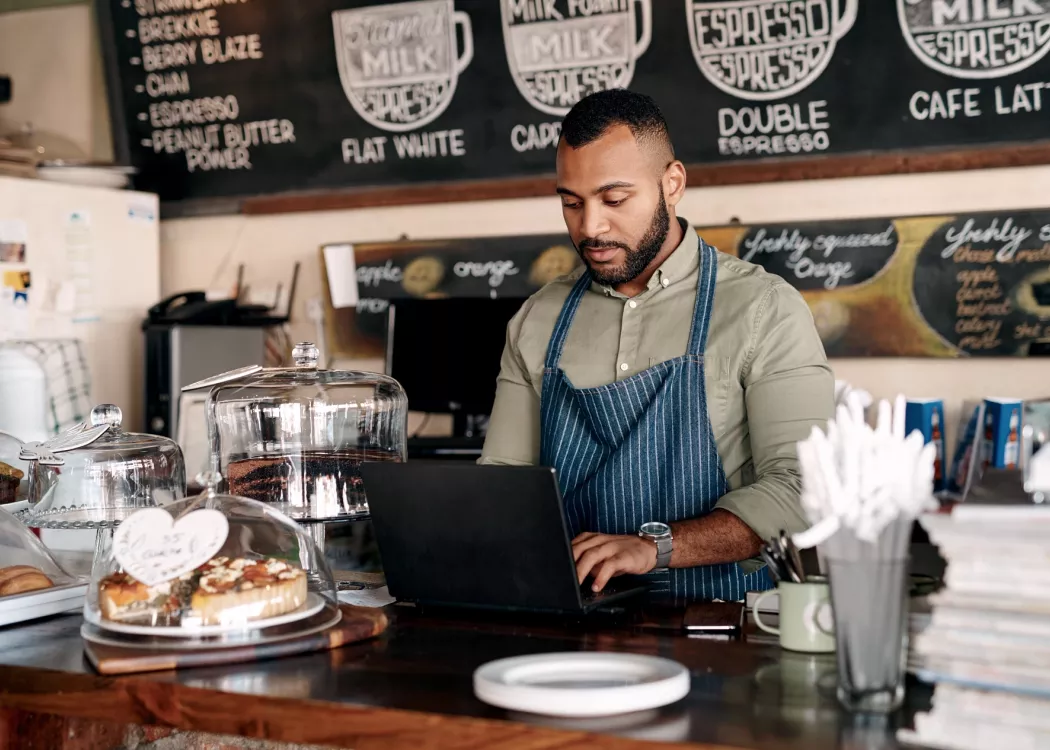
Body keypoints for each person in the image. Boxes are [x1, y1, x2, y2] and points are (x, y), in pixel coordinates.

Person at [480, 90, 835, 602]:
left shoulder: (764, 308)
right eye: (571, 203)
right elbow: (503, 488)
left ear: (672, 184)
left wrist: (652, 547)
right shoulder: (538, 319)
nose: (590, 227)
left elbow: (804, 489)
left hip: (724, 621)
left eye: (615, 200)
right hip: (579, 624)